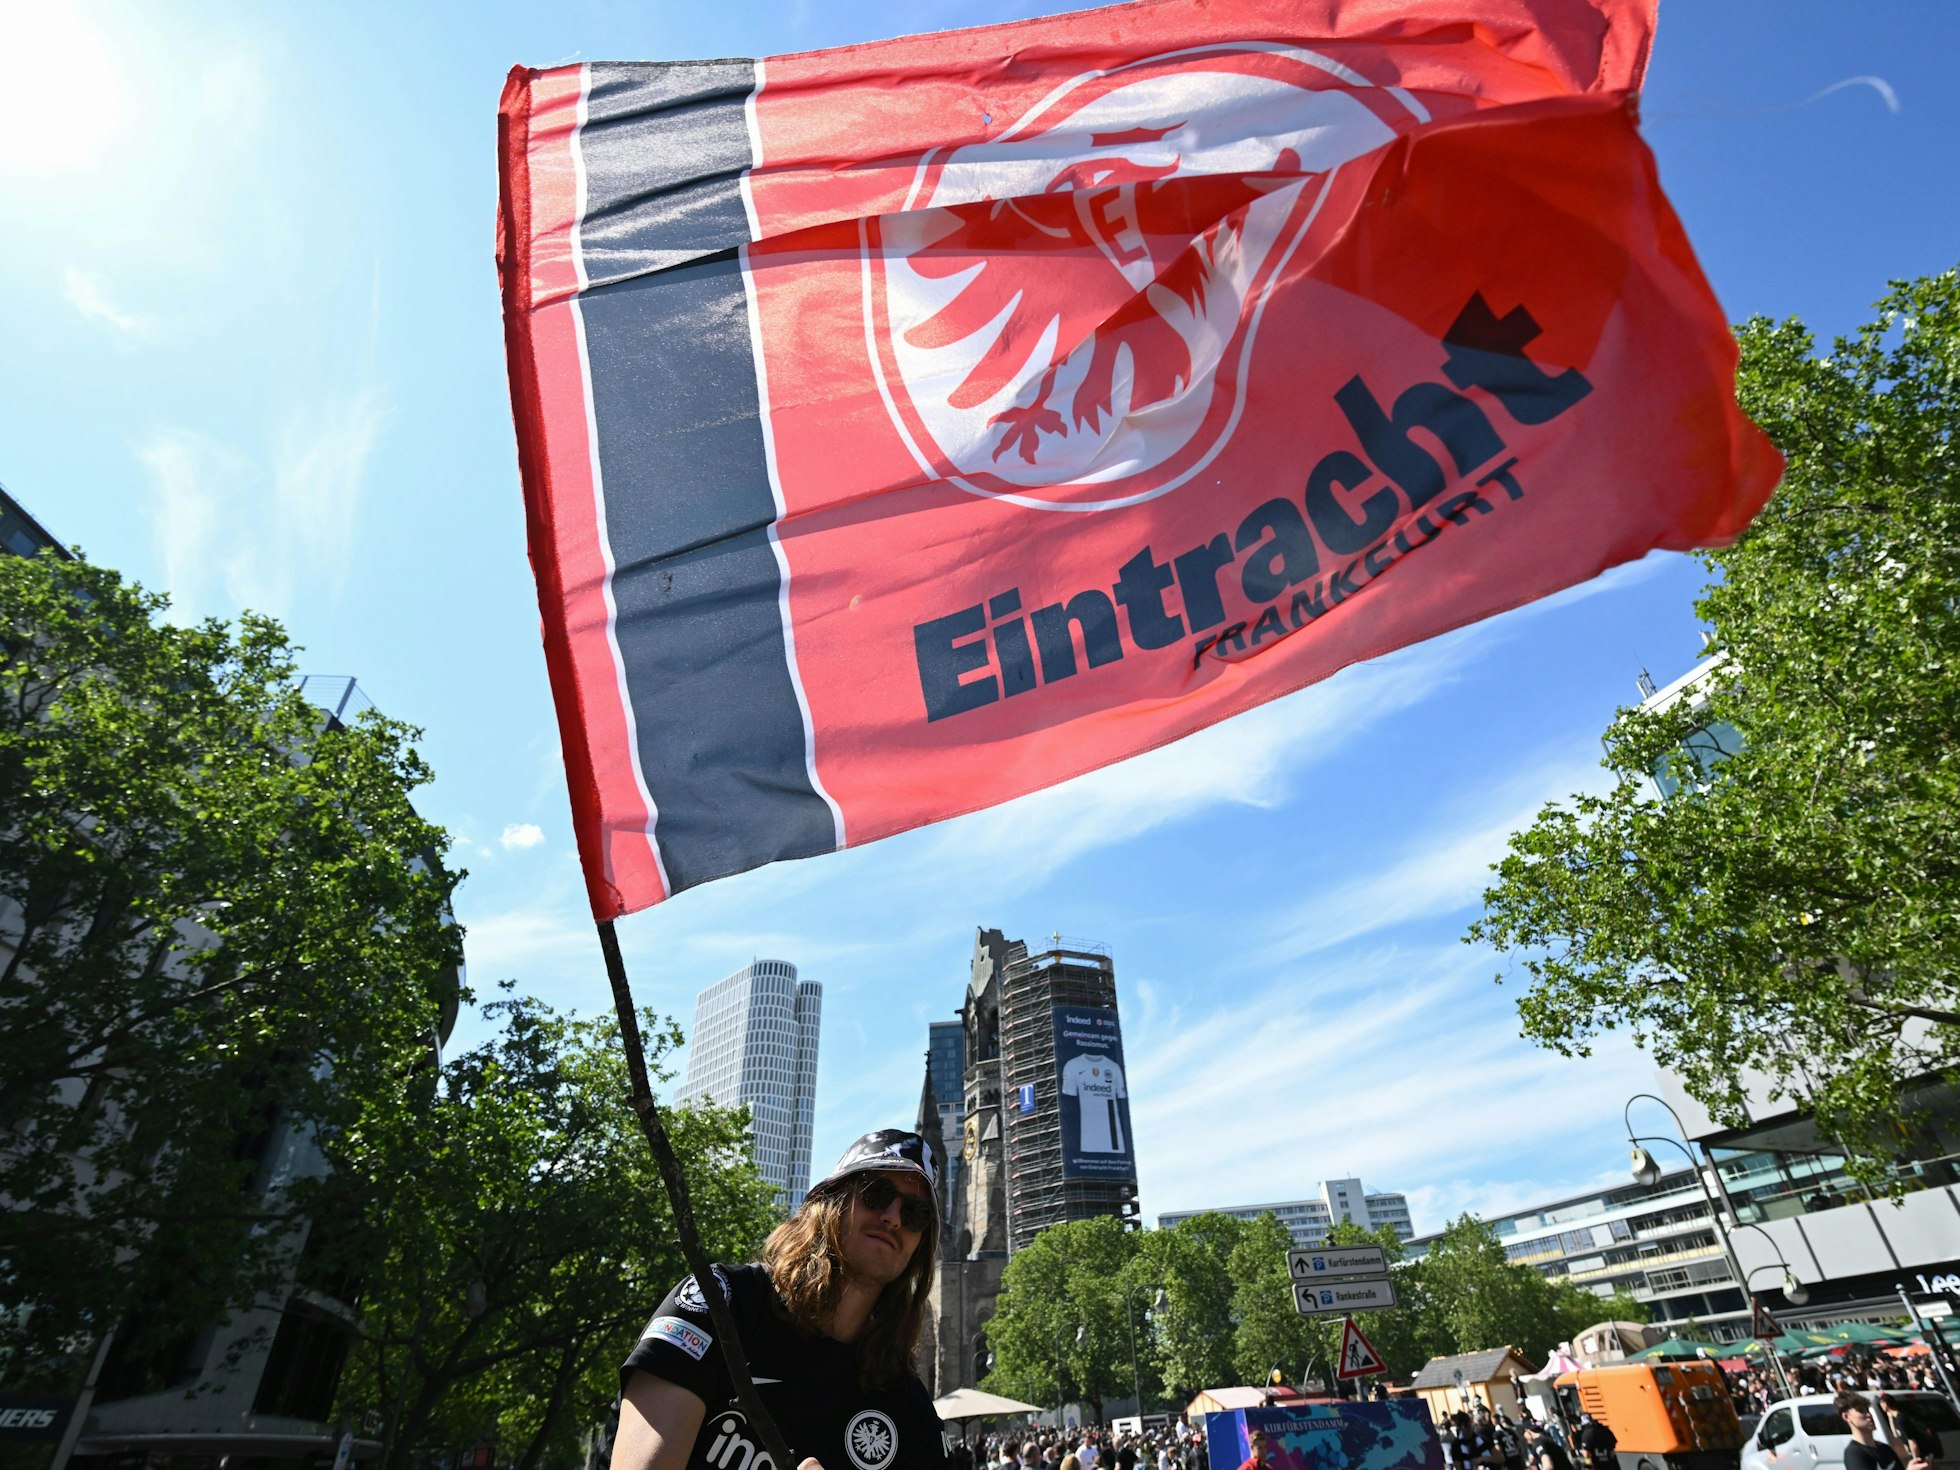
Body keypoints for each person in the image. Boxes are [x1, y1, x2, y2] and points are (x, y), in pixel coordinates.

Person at [614, 1129, 949, 1470]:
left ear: (919, 1247)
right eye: (876, 1194)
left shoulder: (908, 1407)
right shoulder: (719, 1303)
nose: (893, 1217)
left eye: (915, 1213)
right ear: (830, 1200)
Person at [1837, 1391, 1930, 1470]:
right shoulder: (1854, 1454)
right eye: (1861, 1411)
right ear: (1846, 1417)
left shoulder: (1885, 1448)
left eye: (1867, 1410)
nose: (1869, 1415)